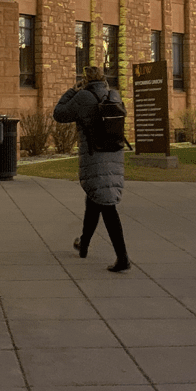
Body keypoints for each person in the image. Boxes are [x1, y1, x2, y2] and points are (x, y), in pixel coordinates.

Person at [53, 66, 130, 272]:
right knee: (94, 199)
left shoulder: (83, 97)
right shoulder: (113, 95)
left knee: (106, 204)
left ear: (85, 80)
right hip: (114, 155)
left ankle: (122, 257)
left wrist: (72, 90)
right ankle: (84, 245)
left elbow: (59, 113)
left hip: (95, 156)